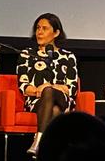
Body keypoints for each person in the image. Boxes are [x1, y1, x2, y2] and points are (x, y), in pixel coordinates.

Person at [16, 13, 79, 156]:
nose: (39, 32)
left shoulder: (68, 56)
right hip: (36, 101)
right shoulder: (27, 54)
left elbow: (71, 88)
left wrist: (47, 88)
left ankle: (38, 141)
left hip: (64, 100)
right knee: (55, 110)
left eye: (44, 28)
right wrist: (40, 91)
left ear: (56, 32)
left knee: (49, 92)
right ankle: (49, 150)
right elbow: (23, 85)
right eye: (38, 28)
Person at [37, 112, 105, 161]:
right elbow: (25, 88)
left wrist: (40, 90)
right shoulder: (28, 70)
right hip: (37, 102)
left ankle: (40, 141)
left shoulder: (69, 70)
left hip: (64, 99)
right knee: (53, 106)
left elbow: (70, 89)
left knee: (49, 91)